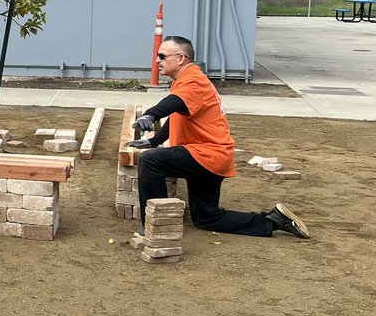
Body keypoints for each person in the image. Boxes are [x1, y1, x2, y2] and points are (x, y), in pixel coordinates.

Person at [127, 35, 310, 240]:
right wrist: (154, 140)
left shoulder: (193, 80)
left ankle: (154, 225)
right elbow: (179, 112)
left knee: (151, 160)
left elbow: (173, 103)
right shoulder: (186, 79)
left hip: (205, 155)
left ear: (180, 58)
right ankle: (273, 220)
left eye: (161, 56)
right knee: (206, 218)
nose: (157, 60)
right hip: (211, 156)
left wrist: (151, 115)